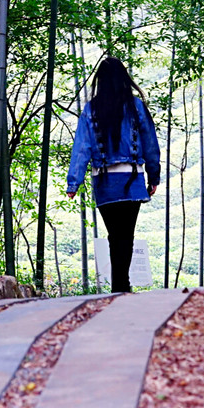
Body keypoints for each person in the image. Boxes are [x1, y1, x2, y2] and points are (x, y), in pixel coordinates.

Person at [66, 57, 161, 293]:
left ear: (101, 81)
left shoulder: (91, 109)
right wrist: (154, 175)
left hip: (105, 181)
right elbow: (150, 142)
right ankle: (122, 284)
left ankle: (119, 285)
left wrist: (73, 182)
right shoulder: (135, 105)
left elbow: (82, 147)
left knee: (114, 234)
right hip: (132, 180)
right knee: (126, 235)